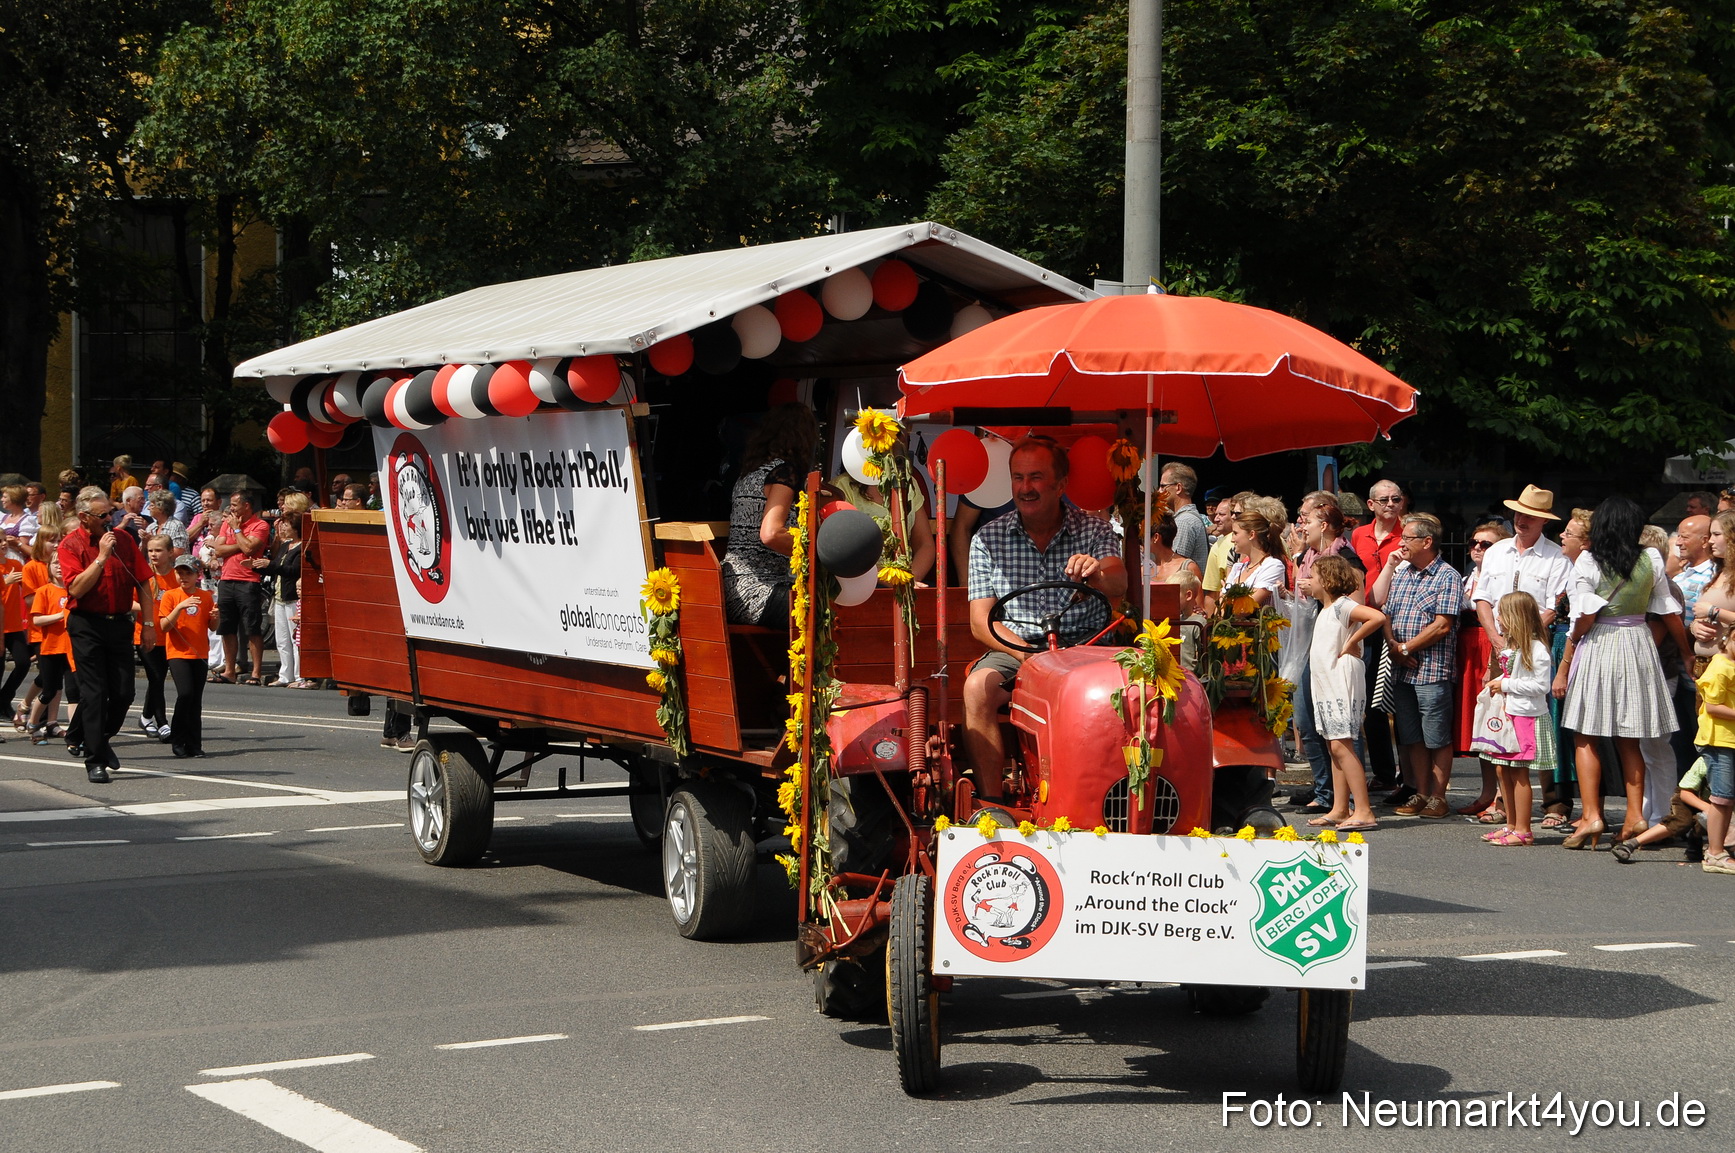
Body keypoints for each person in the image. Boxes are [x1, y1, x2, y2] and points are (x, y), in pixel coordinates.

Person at [965, 437, 1126, 802]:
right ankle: (993, 805)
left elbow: (1119, 580)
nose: (1025, 488)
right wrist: (1029, 657)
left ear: (1061, 485)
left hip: (1084, 646)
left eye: (1036, 477)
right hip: (1016, 647)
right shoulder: (988, 538)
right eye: (1018, 478)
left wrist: (1096, 572)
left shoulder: (1095, 531)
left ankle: (1109, 796)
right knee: (977, 688)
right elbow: (981, 622)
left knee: (1125, 688)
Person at [1555, 496, 1687, 849]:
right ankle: (1634, 814)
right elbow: (1669, 612)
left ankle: (1591, 815)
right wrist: (1687, 652)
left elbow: (1582, 618)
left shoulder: (1587, 560)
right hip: (1639, 643)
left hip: (1601, 643)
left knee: (1586, 735)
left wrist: (1567, 660)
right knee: (1630, 736)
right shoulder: (1651, 558)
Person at [59, 488, 155, 783]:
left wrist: (149, 624)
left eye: (111, 513)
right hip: (87, 624)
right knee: (95, 693)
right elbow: (75, 589)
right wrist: (100, 556)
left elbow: (143, 583)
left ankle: (92, 737)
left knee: (125, 691)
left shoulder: (125, 540)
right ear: (84, 518)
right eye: (104, 516)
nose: (111, 520)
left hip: (120, 624)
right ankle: (95, 758)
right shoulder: (70, 545)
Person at [1372, 513, 1460, 819]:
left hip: (1432, 670)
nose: (1401, 544)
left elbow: (1442, 625)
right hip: (1402, 668)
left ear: (1427, 542)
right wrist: (1394, 647)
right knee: (1411, 737)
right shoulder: (1403, 573)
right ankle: (1420, 793)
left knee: (1437, 737)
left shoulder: (1447, 576)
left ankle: (1438, 796)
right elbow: (1386, 614)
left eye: (1407, 538)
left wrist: (1407, 647)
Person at [1290, 493, 1365, 808]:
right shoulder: (1308, 557)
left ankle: (1354, 802)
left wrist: (1349, 645)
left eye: (1307, 520)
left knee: (1342, 735)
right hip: (1314, 649)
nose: (1302, 526)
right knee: (1311, 724)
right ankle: (1330, 797)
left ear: (1326, 526)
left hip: (1335, 656)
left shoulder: (1344, 560)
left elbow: (1362, 610)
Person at [1306, 554, 1385, 833]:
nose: (1309, 581)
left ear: (1327, 580)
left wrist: (1352, 640)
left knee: (1342, 743)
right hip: (1327, 680)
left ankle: (1363, 809)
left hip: (1341, 678)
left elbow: (1376, 617)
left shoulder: (1342, 605)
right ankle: (1340, 808)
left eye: (1313, 576)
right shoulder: (1326, 609)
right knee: (1333, 744)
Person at [721, 404, 817, 628]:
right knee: (826, 614)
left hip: (734, 587)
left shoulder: (750, 472)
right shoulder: (785, 473)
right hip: (758, 590)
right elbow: (772, 534)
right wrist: (815, 553)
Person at [1478, 592, 1557, 847]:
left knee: (1520, 772)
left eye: (1502, 614)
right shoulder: (1514, 646)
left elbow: (1540, 685)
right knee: (1503, 768)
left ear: (1516, 617)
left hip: (1525, 715)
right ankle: (1511, 824)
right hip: (1509, 712)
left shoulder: (1536, 648)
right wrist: (1500, 682)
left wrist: (1506, 684)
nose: (1498, 619)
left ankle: (1523, 829)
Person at [1351, 479, 1411, 795]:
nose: (1390, 504)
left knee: (1399, 702)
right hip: (1366, 622)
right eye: (1384, 499)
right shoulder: (1358, 534)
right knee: (1372, 702)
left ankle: (1410, 775)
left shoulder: (1409, 533)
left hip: (1399, 623)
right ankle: (1385, 773)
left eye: (1396, 498)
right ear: (1371, 504)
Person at [1455, 520, 1513, 819]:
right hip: (1468, 650)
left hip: (1490, 647)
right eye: (1474, 543)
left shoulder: (1503, 579)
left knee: (1499, 722)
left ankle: (1504, 797)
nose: (1477, 548)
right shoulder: (1468, 578)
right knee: (1480, 726)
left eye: (1485, 544)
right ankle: (1487, 792)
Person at [1682, 625, 1735, 873]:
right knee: (1721, 799)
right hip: (1717, 741)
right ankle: (1714, 853)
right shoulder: (1721, 667)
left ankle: (1718, 849)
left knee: (1727, 799)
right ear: (1730, 638)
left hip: (1730, 739)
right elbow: (1713, 707)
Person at [158, 554, 216, 758]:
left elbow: (213, 626)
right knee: (185, 694)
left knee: (195, 700)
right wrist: (180, 607)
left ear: (197, 575)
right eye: (180, 573)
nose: (183, 577)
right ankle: (178, 738)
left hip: (199, 653)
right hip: (178, 652)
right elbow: (164, 626)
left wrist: (216, 617)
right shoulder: (171, 596)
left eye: (188, 573)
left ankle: (194, 743)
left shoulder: (206, 596)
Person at [208, 491, 269, 684]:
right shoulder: (227, 523)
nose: (231, 509)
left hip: (248, 581)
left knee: (252, 628)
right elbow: (218, 550)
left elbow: (251, 549)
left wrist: (236, 532)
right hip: (226, 580)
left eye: (235, 505)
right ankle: (229, 671)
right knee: (227, 627)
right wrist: (241, 544)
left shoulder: (260, 525)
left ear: (247, 506)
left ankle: (255, 673)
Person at [24, 556, 76, 746]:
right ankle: (33, 723)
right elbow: (37, 620)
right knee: (49, 691)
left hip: (72, 649)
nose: (60, 567)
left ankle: (75, 734)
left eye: (63, 564)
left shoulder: (75, 590)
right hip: (51, 648)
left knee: (74, 692)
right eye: (56, 564)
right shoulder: (44, 591)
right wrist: (60, 616)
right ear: (49, 567)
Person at [133, 535, 178, 739]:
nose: (154, 555)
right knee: (156, 676)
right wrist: (149, 609)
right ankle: (162, 723)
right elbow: (128, 603)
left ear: (170, 552)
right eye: (150, 550)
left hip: (169, 636)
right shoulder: (144, 576)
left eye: (158, 550)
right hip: (145, 634)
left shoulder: (178, 576)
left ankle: (145, 717)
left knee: (157, 679)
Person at [261, 504, 307, 687]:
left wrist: (269, 565)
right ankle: (285, 675)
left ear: (296, 527)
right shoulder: (286, 545)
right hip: (279, 596)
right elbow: (275, 566)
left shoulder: (302, 547)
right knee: (281, 639)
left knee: (295, 639)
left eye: (286, 524)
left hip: (293, 598)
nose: (282, 527)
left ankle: (299, 676)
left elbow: (293, 570)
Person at [1157, 462, 1210, 573]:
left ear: (1178, 488)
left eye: (1163, 486)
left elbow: (1176, 566)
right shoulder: (1186, 518)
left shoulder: (1184, 521)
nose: (1159, 491)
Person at [1147, 513, 1200, 583]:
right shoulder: (1144, 569)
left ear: (1156, 538)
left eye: (1143, 537)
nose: (1141, 542)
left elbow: (1197, 594)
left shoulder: (1188, 568)